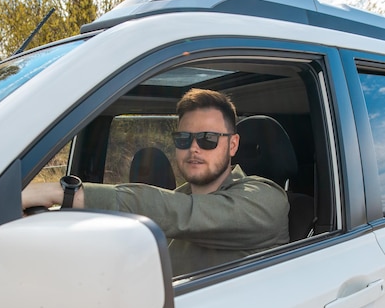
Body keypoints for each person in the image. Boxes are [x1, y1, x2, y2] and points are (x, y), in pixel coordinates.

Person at [22, 88, 290, 276]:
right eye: (184, 139)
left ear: (232, 145)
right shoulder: (179, 197)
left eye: (208, 139)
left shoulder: (266, 199)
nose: (194, 148)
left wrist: (60, 192)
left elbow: (178, 213)